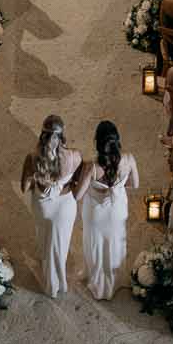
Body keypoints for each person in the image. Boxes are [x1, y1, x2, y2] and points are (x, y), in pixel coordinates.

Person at [73, 120, 138, 300]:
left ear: (97, 142)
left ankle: (98, 281)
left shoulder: (91, 167)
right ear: (117, 140)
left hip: (96, 213)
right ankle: (115, 279)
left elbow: (77, 196)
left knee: (96, 244)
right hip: (117, 211)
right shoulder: (129, 159)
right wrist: (119, 185)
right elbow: (135, 184)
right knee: (116, 242)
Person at [20, 114, 82, 296]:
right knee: (60, 243)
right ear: (62, 136)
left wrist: (38, 178)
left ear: (42, 135)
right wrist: (62, 183)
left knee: (45, 238)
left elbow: (24, 188)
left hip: (43, 207)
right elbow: (78, 181)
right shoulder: (75, 156)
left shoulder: (31, 158)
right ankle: (58, 280)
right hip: (65, 207)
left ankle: (49, 275)